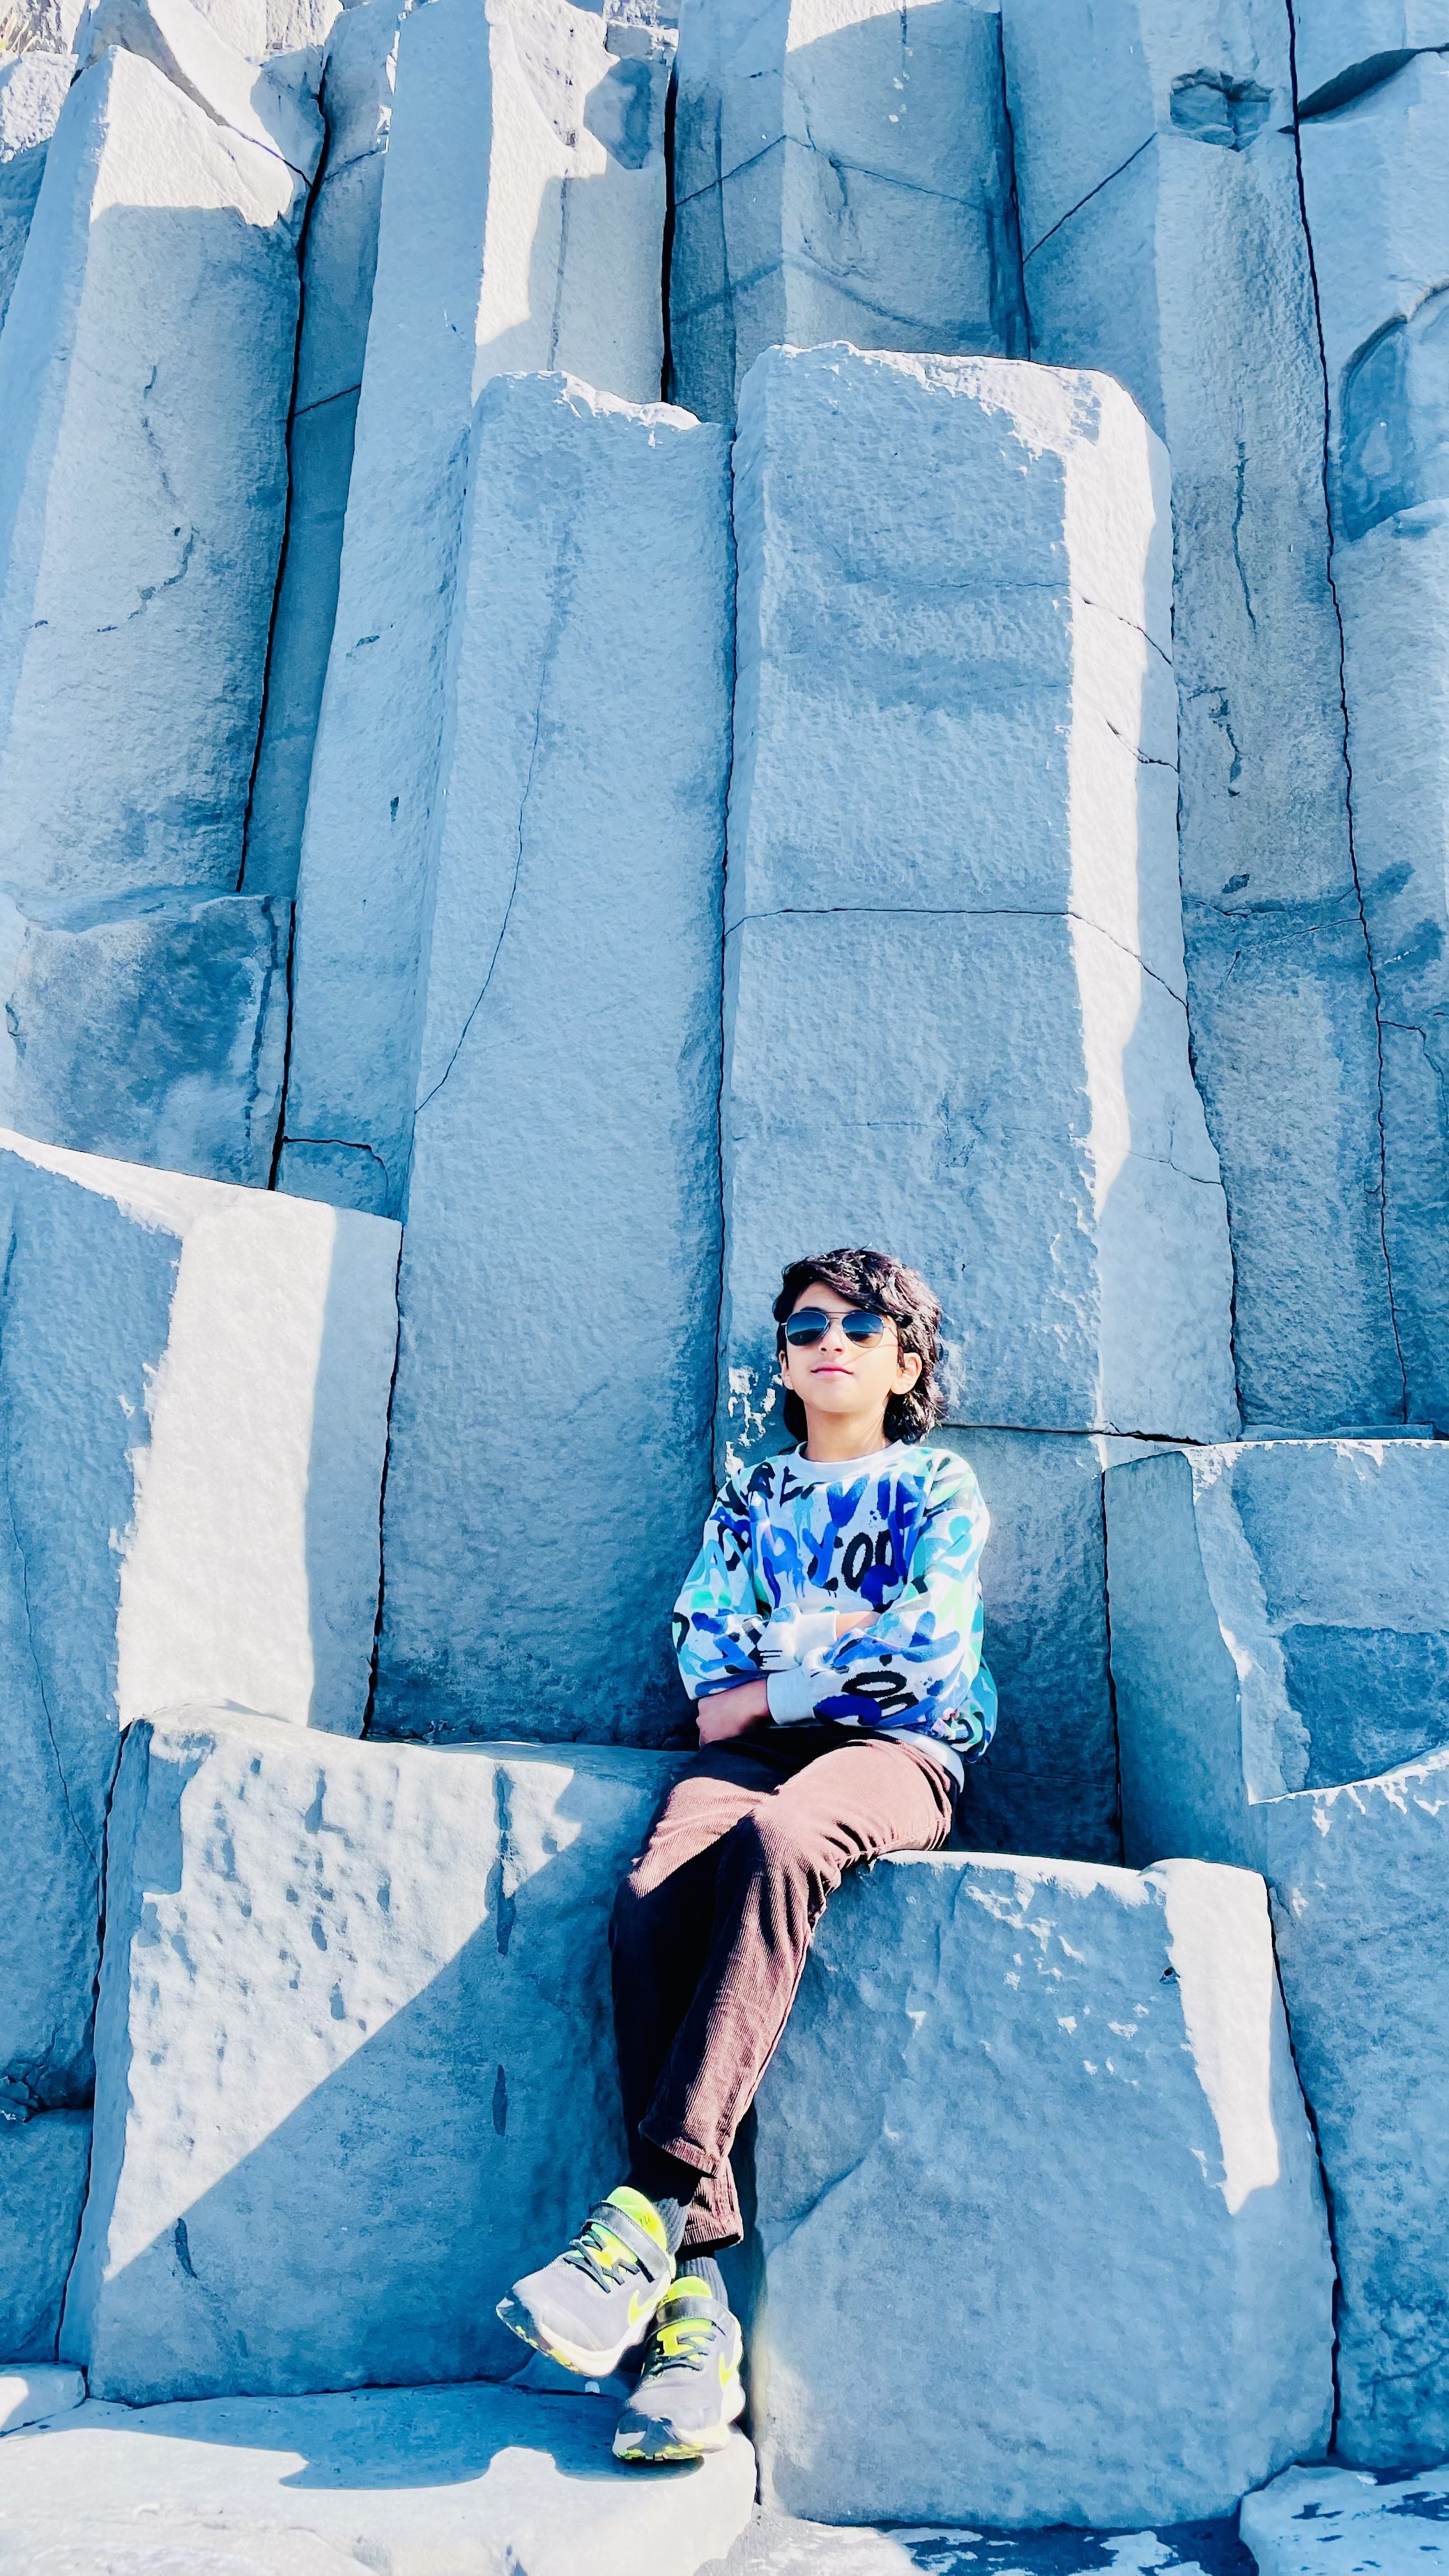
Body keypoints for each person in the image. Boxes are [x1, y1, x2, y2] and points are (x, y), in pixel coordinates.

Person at [498, 1246, 995, 2463]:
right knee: (652, 1899)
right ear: (782, 1359)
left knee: (781, 1842)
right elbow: (705, 1665)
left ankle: (650, 2213)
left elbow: (928, 1657)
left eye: (863, 1329)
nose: (832, 1344)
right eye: (808, 1327)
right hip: (759, 1755)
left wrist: (782, 1671)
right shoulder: (754, 1496)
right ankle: (696, 2316)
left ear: (906, 1363)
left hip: (901, 1757)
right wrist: (831, 1656)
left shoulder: (937, 1485)